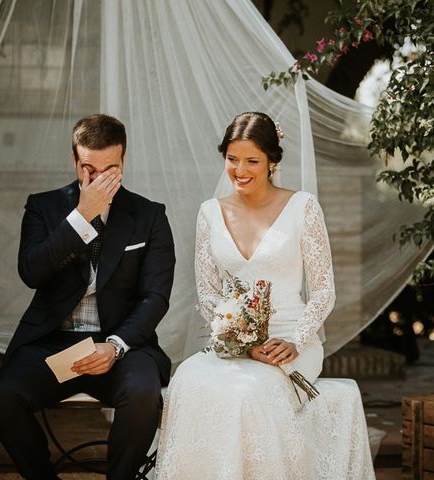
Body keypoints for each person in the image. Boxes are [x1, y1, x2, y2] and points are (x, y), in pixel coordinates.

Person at [155, 112, 375, 479]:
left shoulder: (303, 207)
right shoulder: (210, 213)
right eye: (232, 159)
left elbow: (323, 290)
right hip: (234, 343)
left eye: (252, 161)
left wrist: (296, 341)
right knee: (187, 381)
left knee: (247, 397)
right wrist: (240, 341)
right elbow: (208, 292)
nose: (240, 170)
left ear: (273, 162)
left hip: (290, 342)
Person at [0, 114, 175, 480]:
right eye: (89, 169)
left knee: (143, 394)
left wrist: (116, 346)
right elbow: (31, 273)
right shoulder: (43, 207)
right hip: (52, 344)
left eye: (111, 170)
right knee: (3, 395)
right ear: (75, 161)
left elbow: (155, 296)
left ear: (124, 161)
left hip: (120, 344)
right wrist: (80, 217)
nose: (100, 179)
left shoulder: (149, 216)